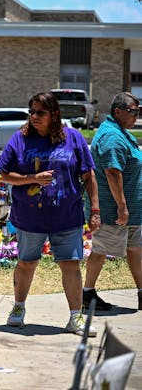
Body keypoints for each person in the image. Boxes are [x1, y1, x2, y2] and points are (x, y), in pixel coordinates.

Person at [0, 91, 100, 336]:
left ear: (54, 114)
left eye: (40, 112)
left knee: (71, 265)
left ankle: (76, 318)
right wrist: (33, 178)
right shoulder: (20, 140)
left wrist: (95, 209)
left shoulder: (73, 138)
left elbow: (89, 176)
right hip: (30, 217)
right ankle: (18, 308)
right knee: (26, 263)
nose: (34, 116)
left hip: (67, 216)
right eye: (31, 112)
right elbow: (3, 174)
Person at [83, 92, 142, 311]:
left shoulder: (122, 133)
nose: (136, 115)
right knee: (100, 251)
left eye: (138, 111)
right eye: (133, 111)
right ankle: (87, 293)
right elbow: (112, 172)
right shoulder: (111, 137)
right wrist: (122, 207)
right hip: (113, 210)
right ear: (118, 112)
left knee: (136, 249)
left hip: (132, 210)